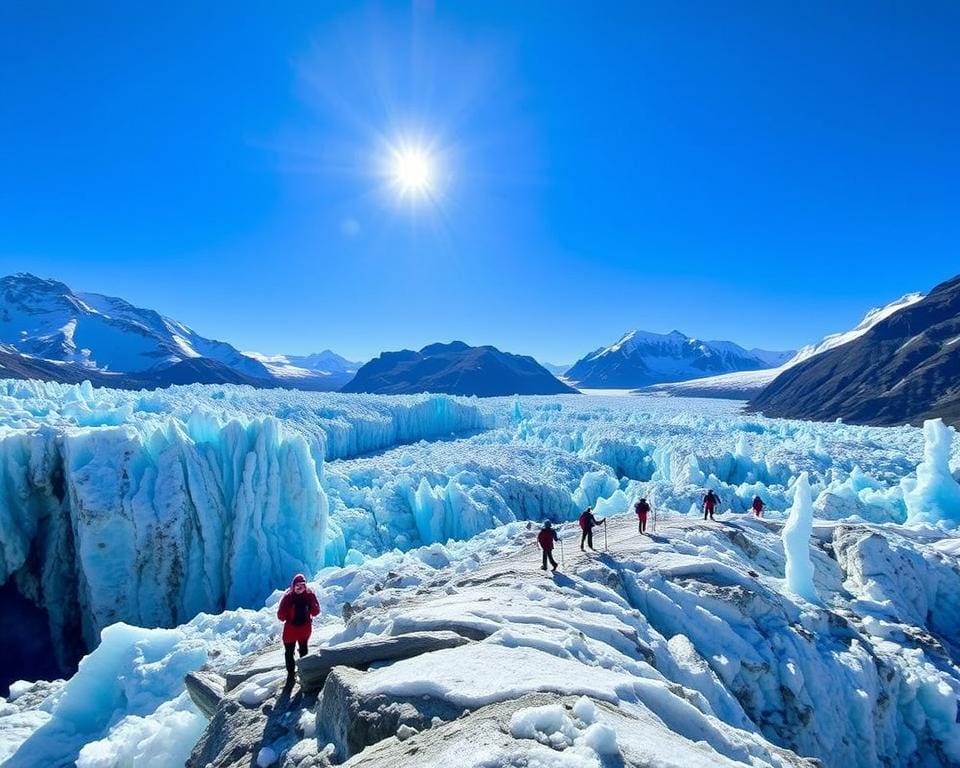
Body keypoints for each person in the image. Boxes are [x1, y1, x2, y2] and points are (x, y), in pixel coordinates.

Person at [277, 573, 320, 679]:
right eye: (298, 585)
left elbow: (281, 616)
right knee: (298, 651)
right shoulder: (305, 595)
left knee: (293, 652)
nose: (300, 587)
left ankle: (295, 674)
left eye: (302, 585)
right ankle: (300, 673)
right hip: (299, 630)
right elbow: (315, 612)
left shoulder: (290, 597)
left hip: (295, 631)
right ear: (293, 585)